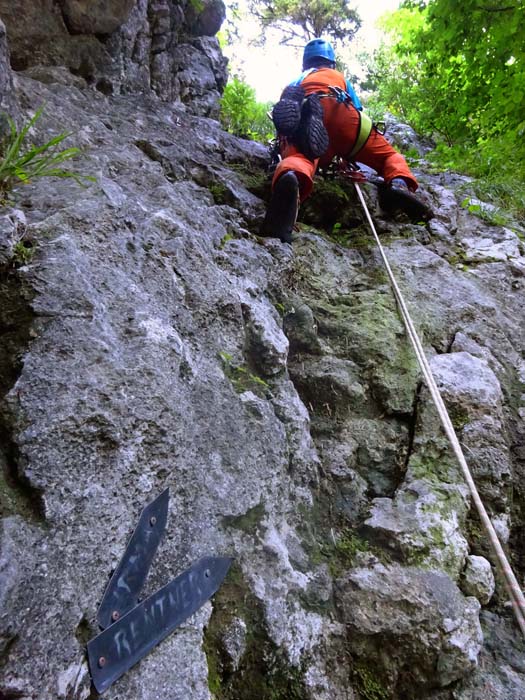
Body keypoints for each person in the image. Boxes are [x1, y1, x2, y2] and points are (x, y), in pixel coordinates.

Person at [260, 38, 433, 243]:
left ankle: (291, 178)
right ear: (331, 62)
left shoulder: (296, 81)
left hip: (306, 116)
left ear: (306, 63)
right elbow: (357, 109)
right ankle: (398, 182)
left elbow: (285, 118)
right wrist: (348, 149)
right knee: (388, 155)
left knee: (301, 158)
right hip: (343, 115)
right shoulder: (338, 76)